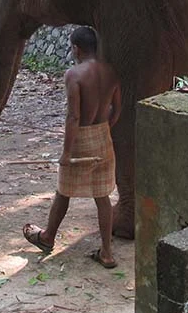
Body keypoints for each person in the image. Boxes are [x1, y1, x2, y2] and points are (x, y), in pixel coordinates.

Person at [23, 26, 121, 268]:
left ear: (76, 49)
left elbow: (73, 117)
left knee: (63, 191)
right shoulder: (111, 72)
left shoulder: (74, 75)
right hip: (103, 135)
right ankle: (107, 253)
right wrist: (105, 128)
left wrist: (67, 153)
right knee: (102, 196)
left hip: (81, 139)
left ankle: (47, 236)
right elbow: (117, 109)